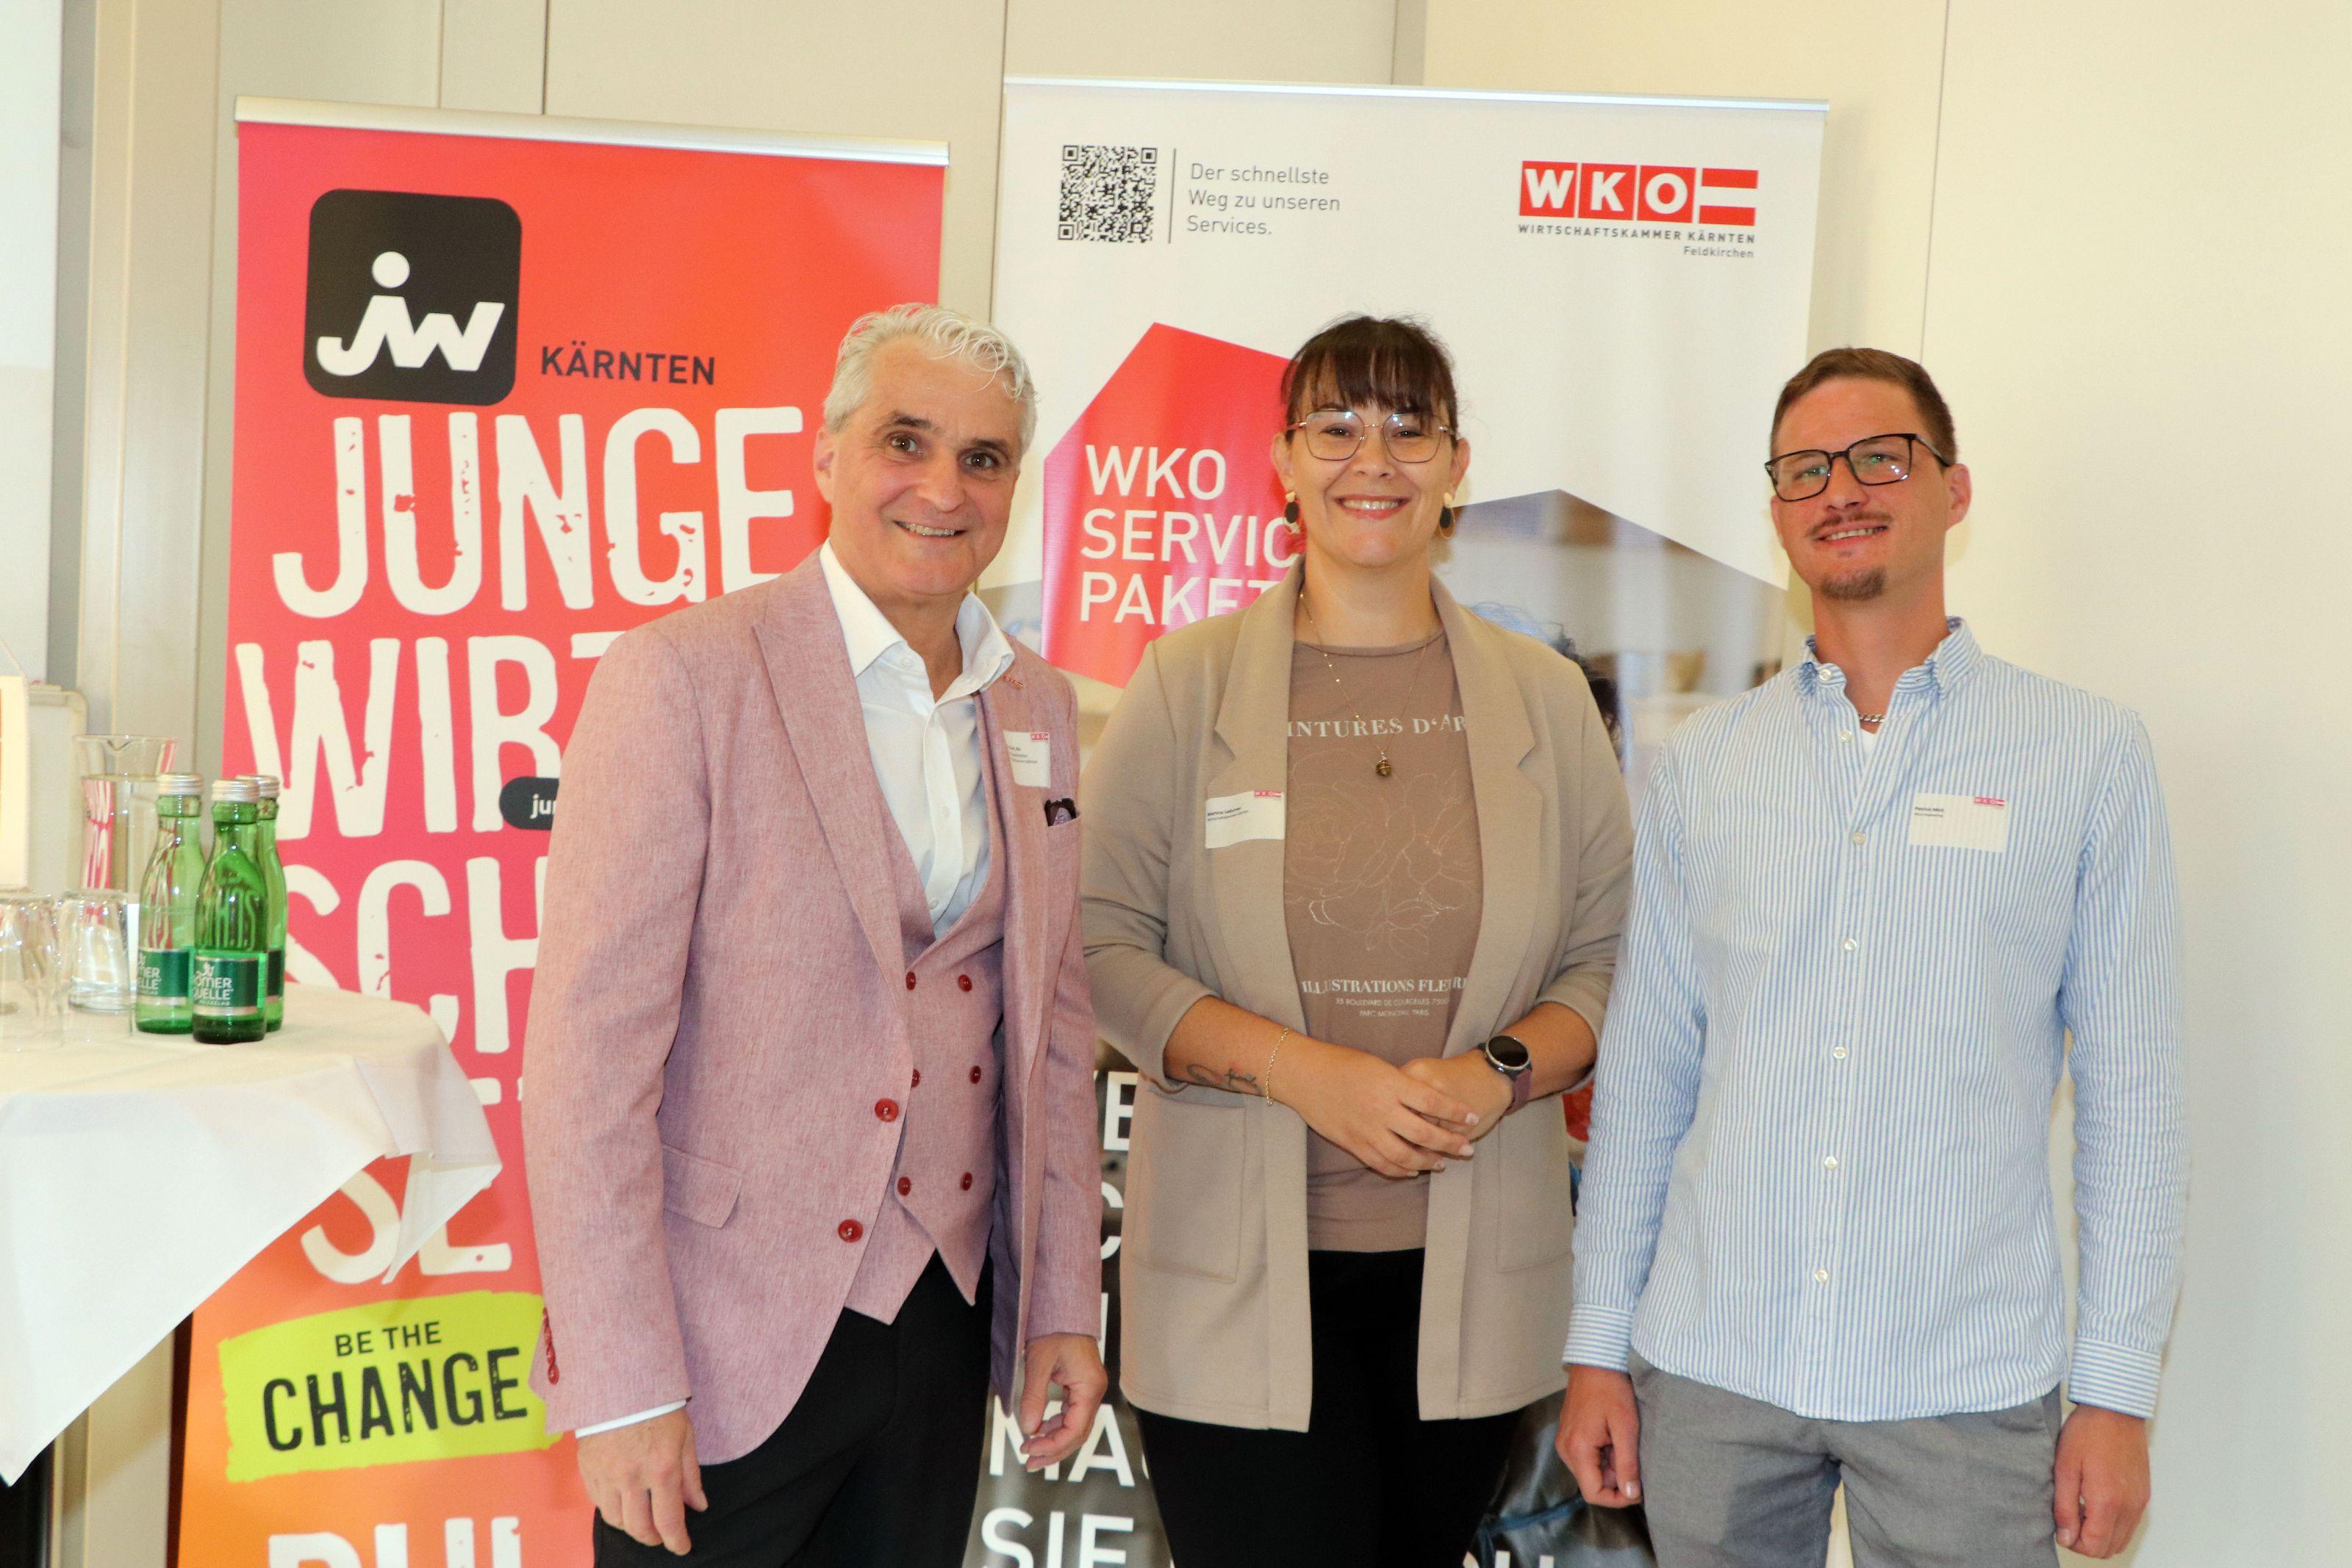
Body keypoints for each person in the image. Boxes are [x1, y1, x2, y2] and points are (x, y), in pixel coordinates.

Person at [1558, 348, 2186, 1566]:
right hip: (1713, 1364)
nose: (1839, 488)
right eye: (1805, 469)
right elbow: (1645, 1081)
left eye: (1878, 458)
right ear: (1778, 508)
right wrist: (1597, 1346)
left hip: (1963, 1378)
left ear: (1955, 488)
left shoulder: (2086, 754)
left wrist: (2115, 1393)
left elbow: (2136, 1098)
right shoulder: (1704, 764)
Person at [522, 304, 1107, 1565]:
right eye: (906, 440)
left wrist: (1060, 1299)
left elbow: (1054, 1037)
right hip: (718, 1345)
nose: (943, 489)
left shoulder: (1039, 706)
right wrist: (621, 1382)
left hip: (944, 1324)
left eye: (984, 458)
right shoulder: (685, 674)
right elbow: (585, 1067)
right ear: (828, 454)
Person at [1082, 314, 1633, 1567]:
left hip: (1471, 1290)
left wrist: (1498, 1073)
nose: (1371, 457)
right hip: (1231, 1288)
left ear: (1457, 465)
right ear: (1282, 461)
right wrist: (1300, 1071)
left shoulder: (1548, 699)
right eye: (1334, 426)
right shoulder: (1183, 684)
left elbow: (1612, 957)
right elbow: (1101, 947)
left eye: (1408, 427)